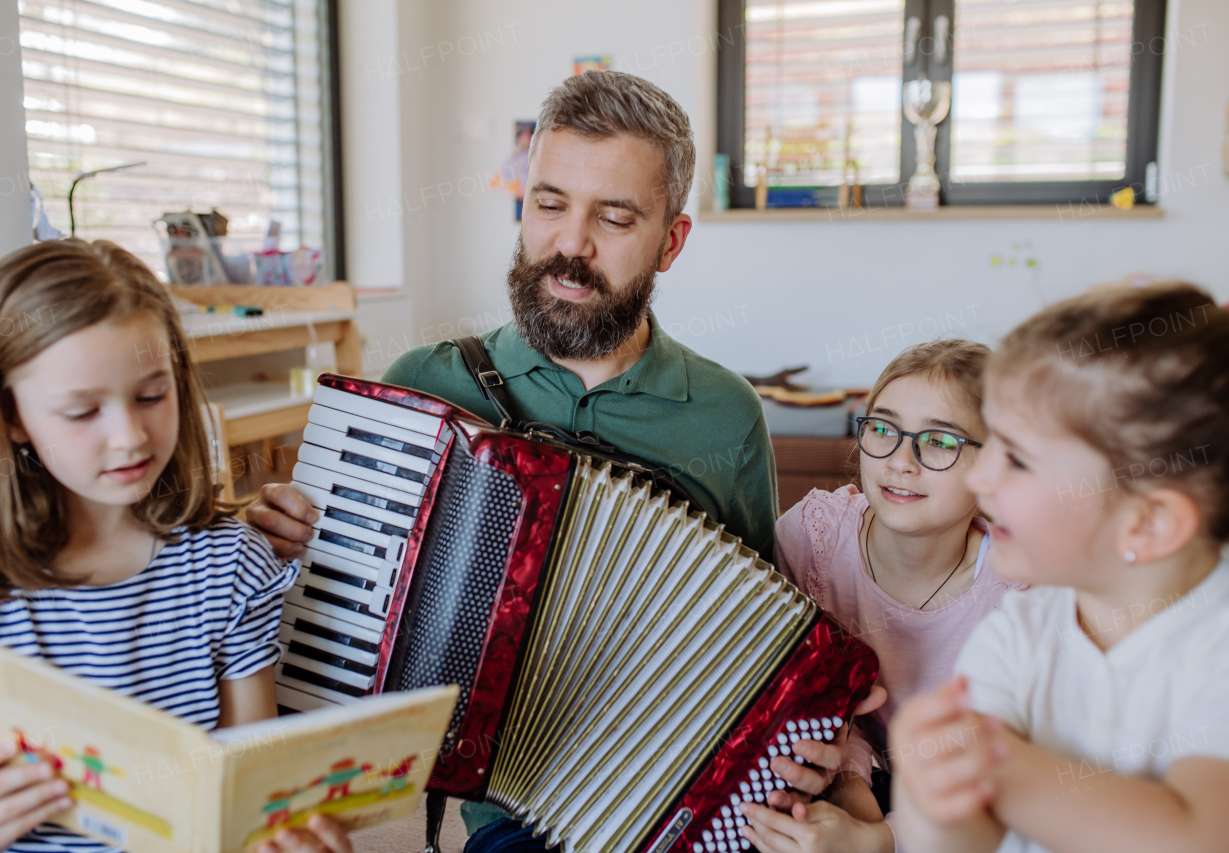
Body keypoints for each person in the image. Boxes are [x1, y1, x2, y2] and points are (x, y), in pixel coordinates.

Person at [244, 70, 853, 852]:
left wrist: (816, 749)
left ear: (671, 240)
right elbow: (330, 623)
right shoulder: (423, 387)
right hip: (513, 815)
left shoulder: (726, 414)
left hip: (664, 799)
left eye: (615, 217)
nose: (571, 245)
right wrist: (282, 554)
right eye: (550, 203)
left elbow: (763, 646)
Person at [0, 240, 350, 853]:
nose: (130, 437)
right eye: (82, 411)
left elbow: (248, 788)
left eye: (150, 395)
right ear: (12, 416)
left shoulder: (230, 566)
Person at [889, 283, 1229, 853]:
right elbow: (961, 843)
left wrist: (996, 766)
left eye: (1017, 458)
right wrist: (932, 796)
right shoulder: (1017, 629)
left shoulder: (1213, 646)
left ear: (1147, 524)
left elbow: (1199, 832)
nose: (978, 477)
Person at [739, 340, 1025, 853]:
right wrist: (853, 786)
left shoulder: (1020, 589)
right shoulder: (813, 536)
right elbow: (797, 695)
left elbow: (1014, 781)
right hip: (829, 774)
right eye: (884, 429)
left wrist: (882, 837)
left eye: (939, 440)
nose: (899, 460)